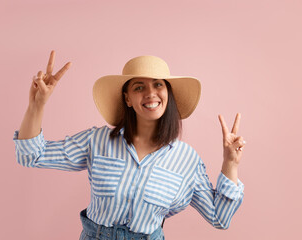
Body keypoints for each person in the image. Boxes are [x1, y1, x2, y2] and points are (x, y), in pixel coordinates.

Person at [13, 51, 246, 240]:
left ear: (168, 94)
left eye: (158, 85)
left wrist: (230, 163)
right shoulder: (98, 140)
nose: (150, 93)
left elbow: (219, 218)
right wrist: (37, 105)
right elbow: (31, 155)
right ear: (127, 98)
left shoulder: (186, 160)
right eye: (139, 87)